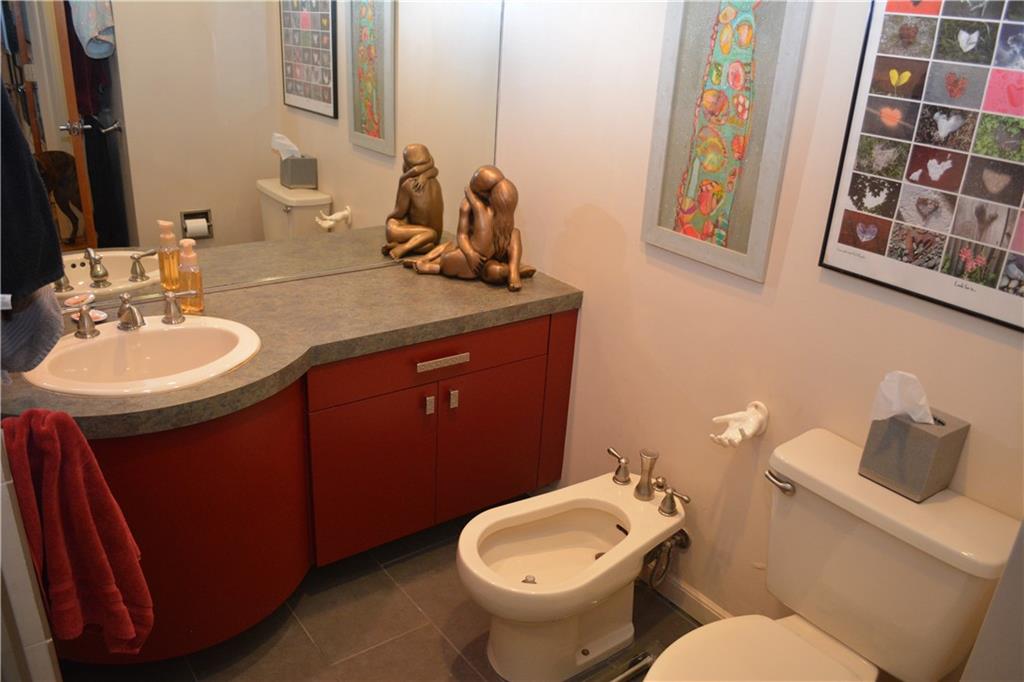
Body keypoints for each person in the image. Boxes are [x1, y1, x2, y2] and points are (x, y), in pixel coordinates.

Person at [409, 165, 534, 291]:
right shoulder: (467, 205)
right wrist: (470, 254)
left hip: (491, 257)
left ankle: (513, 272)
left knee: (514, 234)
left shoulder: (500, 211)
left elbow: (504, 239)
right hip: (473, 255)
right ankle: (433, 265)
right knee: (454, 258)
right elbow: (462, 235)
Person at [381, 143, 443, 260]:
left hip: (428, 234)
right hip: (436, 237)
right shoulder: (435, 182)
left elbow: (399, 213)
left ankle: (404, 247)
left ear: (407, 165)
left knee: (391, 225)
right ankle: (420, 245)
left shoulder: (409, 184)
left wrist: (389, 218)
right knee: (428, 238)